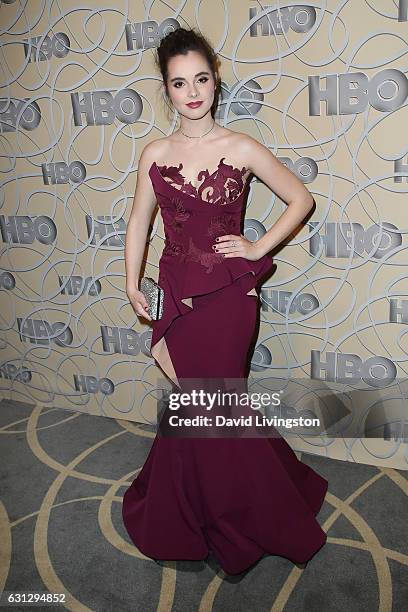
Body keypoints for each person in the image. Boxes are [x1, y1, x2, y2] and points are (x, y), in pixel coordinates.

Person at [122, 27, 328, 576]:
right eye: (179, 83)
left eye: (202, 79)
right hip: (177, 294)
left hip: (230, 297)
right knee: (197, 410)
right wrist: (131, 281)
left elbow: (301, 198)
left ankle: (250, 514)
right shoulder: (155, 153)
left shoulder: (239, 146)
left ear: (216, 81)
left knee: (214, 405)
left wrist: (258, 246)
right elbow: (139, 222)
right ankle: (197, 505)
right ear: (166, 90)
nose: (192, 92)